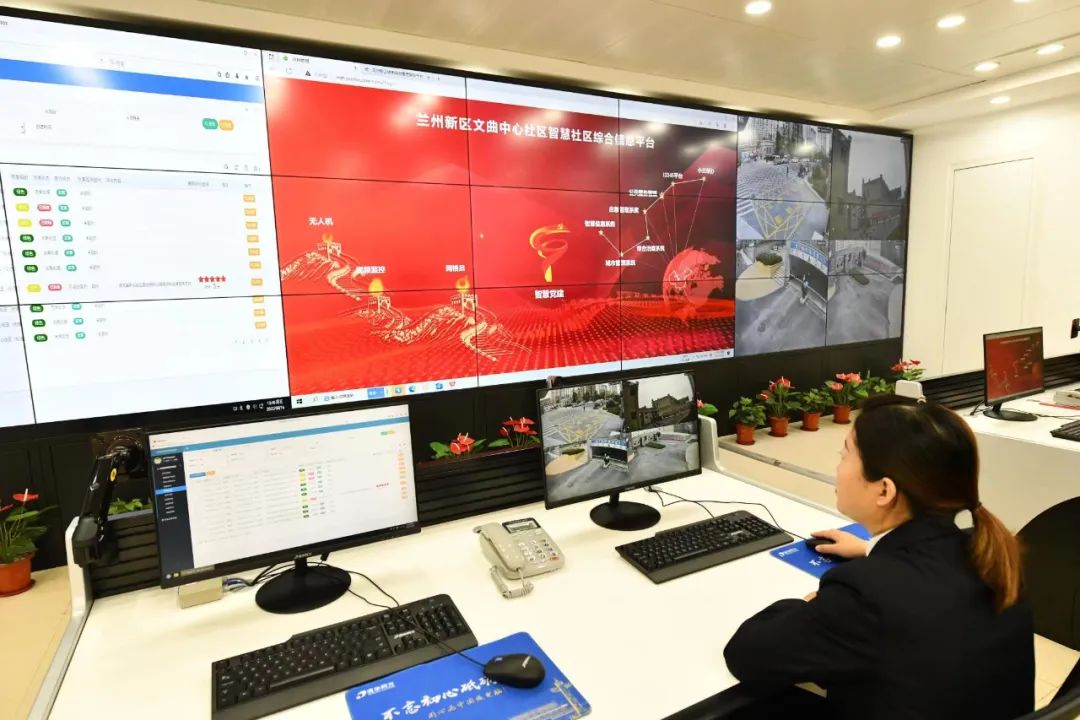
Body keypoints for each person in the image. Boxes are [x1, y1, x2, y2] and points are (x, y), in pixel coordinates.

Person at [724, 395, 1034, 720]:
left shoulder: (866, 594)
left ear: (884, 491)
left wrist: (810, 605)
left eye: (845, 454)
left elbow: (747, 654)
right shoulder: (990, 554)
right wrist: (870, 549)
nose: (837, 467)